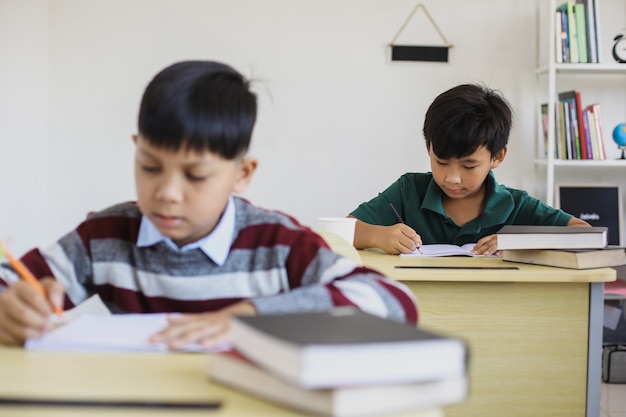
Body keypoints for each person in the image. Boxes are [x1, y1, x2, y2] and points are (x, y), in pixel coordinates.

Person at [0, 60, 418, 348]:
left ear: (243, 173)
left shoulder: (277, 243)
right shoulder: (104, 237)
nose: (167, 192)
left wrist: (248, 316)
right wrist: (12, 308)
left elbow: (395, 302)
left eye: (195, 176)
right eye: (149, 166)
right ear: (135, 149)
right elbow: (12, 281)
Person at [349, 83, 589, 256]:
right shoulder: (409, 190)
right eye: (441, 162)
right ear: (428, 148)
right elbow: (342, 229)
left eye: (469, 165)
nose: (452, 178)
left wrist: (520, 242)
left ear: (498, 156)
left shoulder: (516, 205)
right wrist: (378, 236)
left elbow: (585, 233)